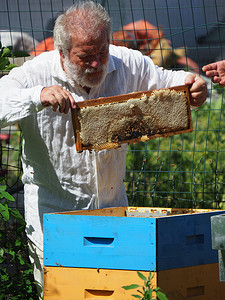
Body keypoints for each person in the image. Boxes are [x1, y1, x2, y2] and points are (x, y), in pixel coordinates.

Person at [0, 1, 207, 298]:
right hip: (53, 217)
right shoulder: (35, 73)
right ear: (61, 51)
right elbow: (1, 101)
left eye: (102, 52)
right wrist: (37, 95)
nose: (97, 63)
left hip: (113, 211)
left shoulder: (128, 62)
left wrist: (192, 85)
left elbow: (168, 81)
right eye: (85, 57)